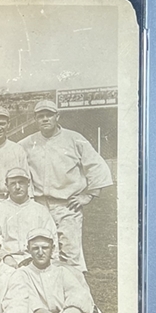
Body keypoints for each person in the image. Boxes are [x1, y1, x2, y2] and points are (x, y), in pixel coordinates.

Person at [19, 100, 113, 271]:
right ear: (35, 119)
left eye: (49, 115)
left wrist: (90, 194)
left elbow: (95, 165)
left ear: (57, 116)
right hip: (38, 204)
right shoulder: (26, 143)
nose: (45, 119)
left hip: (67, 205)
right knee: (41, 250)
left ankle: (74, 293)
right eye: (41, 116)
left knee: (70, 253)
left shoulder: (74, 139)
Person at [0, 167, 58, 267]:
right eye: (13, 183)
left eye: (21, 182)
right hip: (6, 261)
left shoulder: (40, 210)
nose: (17, 187)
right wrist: (6, 257)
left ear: (28, 183)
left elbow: (51, 239)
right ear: (6, 185)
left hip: (36, 260)